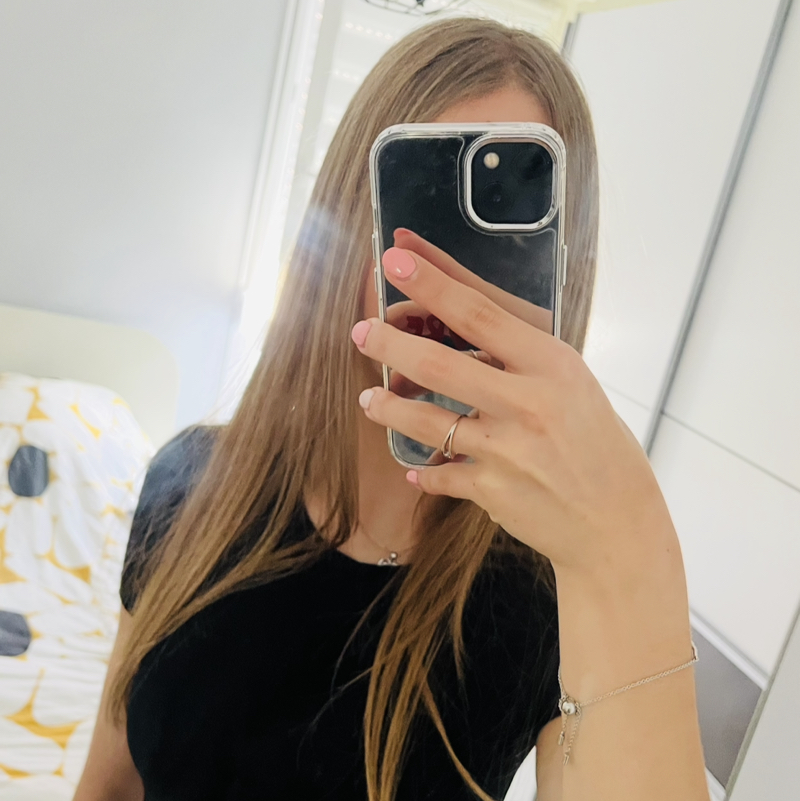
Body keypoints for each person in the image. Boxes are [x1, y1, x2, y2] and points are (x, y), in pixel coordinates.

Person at [74, 17, 709, 801]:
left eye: (498, 240)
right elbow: (108, 784)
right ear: (349, 222)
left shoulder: (550, 590)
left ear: (557, 278)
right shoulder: (190, 480)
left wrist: (632, 546)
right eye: (425, 209)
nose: (451, 284)